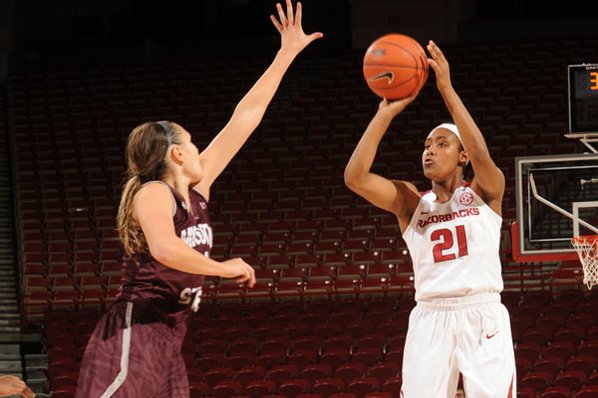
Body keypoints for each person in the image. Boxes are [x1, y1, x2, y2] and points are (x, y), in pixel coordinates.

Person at [75, 1, 322, 397]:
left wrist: (285, 55)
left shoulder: (196, 191)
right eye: (191, 142)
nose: (197, 148)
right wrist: (224, 268)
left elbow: (245, 117)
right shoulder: (153, 192)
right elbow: (166, 249)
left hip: (170, 337)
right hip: (134, 331)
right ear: (176, 154)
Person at [344, 40, 515, 397]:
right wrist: (384, 114)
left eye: (441, 144)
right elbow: (355, 178)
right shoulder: (411, 202)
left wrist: (447, 90)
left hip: (481, 313)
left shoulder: (486, 192)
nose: (430, 151)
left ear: (462, 156)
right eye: (426, 145)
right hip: (430, 316)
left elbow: (482, 153)